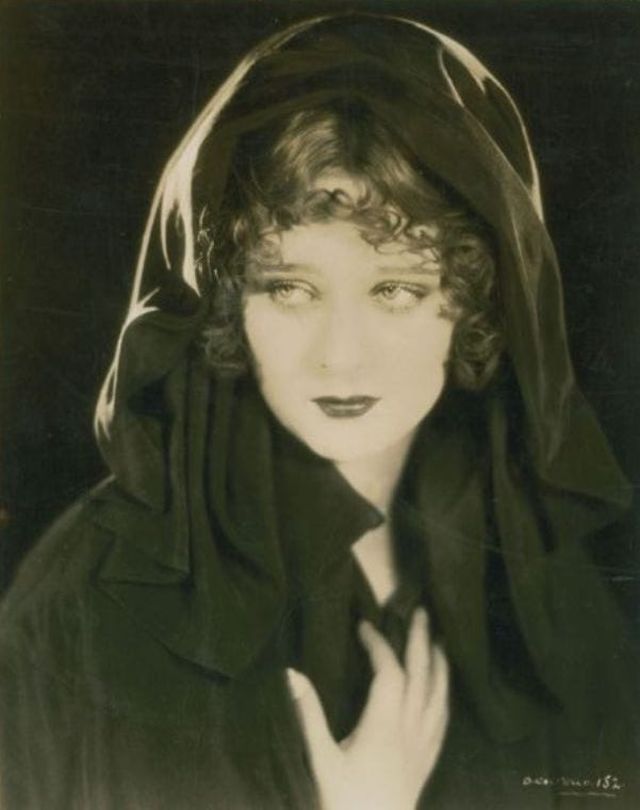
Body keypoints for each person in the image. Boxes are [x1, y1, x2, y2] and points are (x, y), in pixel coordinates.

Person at [0, 12, 637, 809]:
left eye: (395, 289)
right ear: (228, 302)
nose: (341, 356)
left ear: (473, 303)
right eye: (290, 289)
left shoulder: (549, 593)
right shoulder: (85, 604)